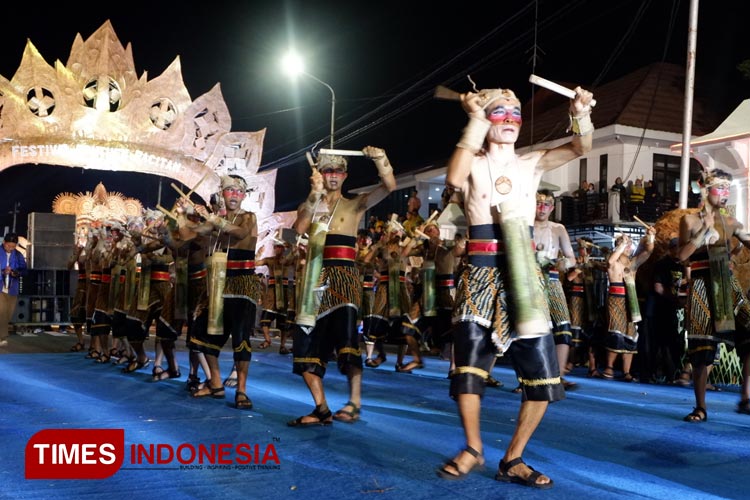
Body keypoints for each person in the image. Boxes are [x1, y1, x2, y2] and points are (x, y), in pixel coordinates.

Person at [437, 83, 593, 489]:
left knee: (543, 381)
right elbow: (454, 176)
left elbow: (580, 149)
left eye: (514, 113)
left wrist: (580, 111)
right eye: (499, 112)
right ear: (486, 119)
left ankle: (513, 458)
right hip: (482, 272)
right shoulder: (472, 161)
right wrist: (474, 119)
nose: (508, 119)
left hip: (525, 275)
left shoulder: (533, 163)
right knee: (468, 370)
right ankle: (472, 447)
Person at [288, 147, 396, 426]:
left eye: (337, 171)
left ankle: (354, 402)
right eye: (327, 171)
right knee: (305, 344)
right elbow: (299, 228)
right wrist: (313, 196)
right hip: (315, 280)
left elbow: (389, 186)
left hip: (345, 279)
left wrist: (380, 159)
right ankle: (321, 408)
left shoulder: (355, 204)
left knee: (348, 341)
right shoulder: (310, 204)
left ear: (345, 176)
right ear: (320, 175)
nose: (332, 176)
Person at [677, 168, 750, 421]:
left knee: (749, 329)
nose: (725, 194)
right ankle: (700, 406)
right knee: (702, 348)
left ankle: (746, 397)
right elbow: (682, 257)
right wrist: (701, 233)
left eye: (728, 188)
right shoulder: (689, 221)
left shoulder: (731, 223)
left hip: (727, 284)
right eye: (720, 188)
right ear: (706, 189)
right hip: (700, 285)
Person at [191, 175, 262, 411]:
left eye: (238, 191)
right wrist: (184, 217)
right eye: (229, 190)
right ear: (222, 193)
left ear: (243, 195)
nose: (233, 195)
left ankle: (241, 390)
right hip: (219, 283)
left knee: (241, 338)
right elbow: (192, 234)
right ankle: (217, 383)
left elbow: (240, 234)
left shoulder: (248, 217)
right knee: (202, 333)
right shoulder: (216, 221)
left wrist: (215, 221)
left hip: (242, 283)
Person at [533, 189, 578, 390]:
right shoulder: (524, 225)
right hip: (530, 281)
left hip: (551, 279)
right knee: (529, 329)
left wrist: (562, 263)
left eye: (546, 204)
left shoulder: (558, 228)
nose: (542, 208)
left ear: (552, 207)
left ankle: (558, 375)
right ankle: (526, 378)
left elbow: (571, 258)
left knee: (563, 326)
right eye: (538, 203)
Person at [601, 230, 655, 381]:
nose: (627, 247)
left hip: (631, 300)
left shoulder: (632, 264)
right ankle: (609, 367)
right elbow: (611, 261)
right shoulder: (614, 262)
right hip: (616, 298)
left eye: (629, 244)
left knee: (631, 335)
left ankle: (626, 372)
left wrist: (650, 236)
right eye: (624, 244)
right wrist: (621, 244)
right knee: (616, 331)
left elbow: (648, 252)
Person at [0, 233, 27, 347]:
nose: (10, 249)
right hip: (0, 287)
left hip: (12, 288)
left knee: (8, 314)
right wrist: (2, 272)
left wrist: (15, 273)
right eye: (8, 246)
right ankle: (2, 337)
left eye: (13, 246)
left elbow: (24, 270)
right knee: (2, 312)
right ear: (3, 243)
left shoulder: (18, 255)